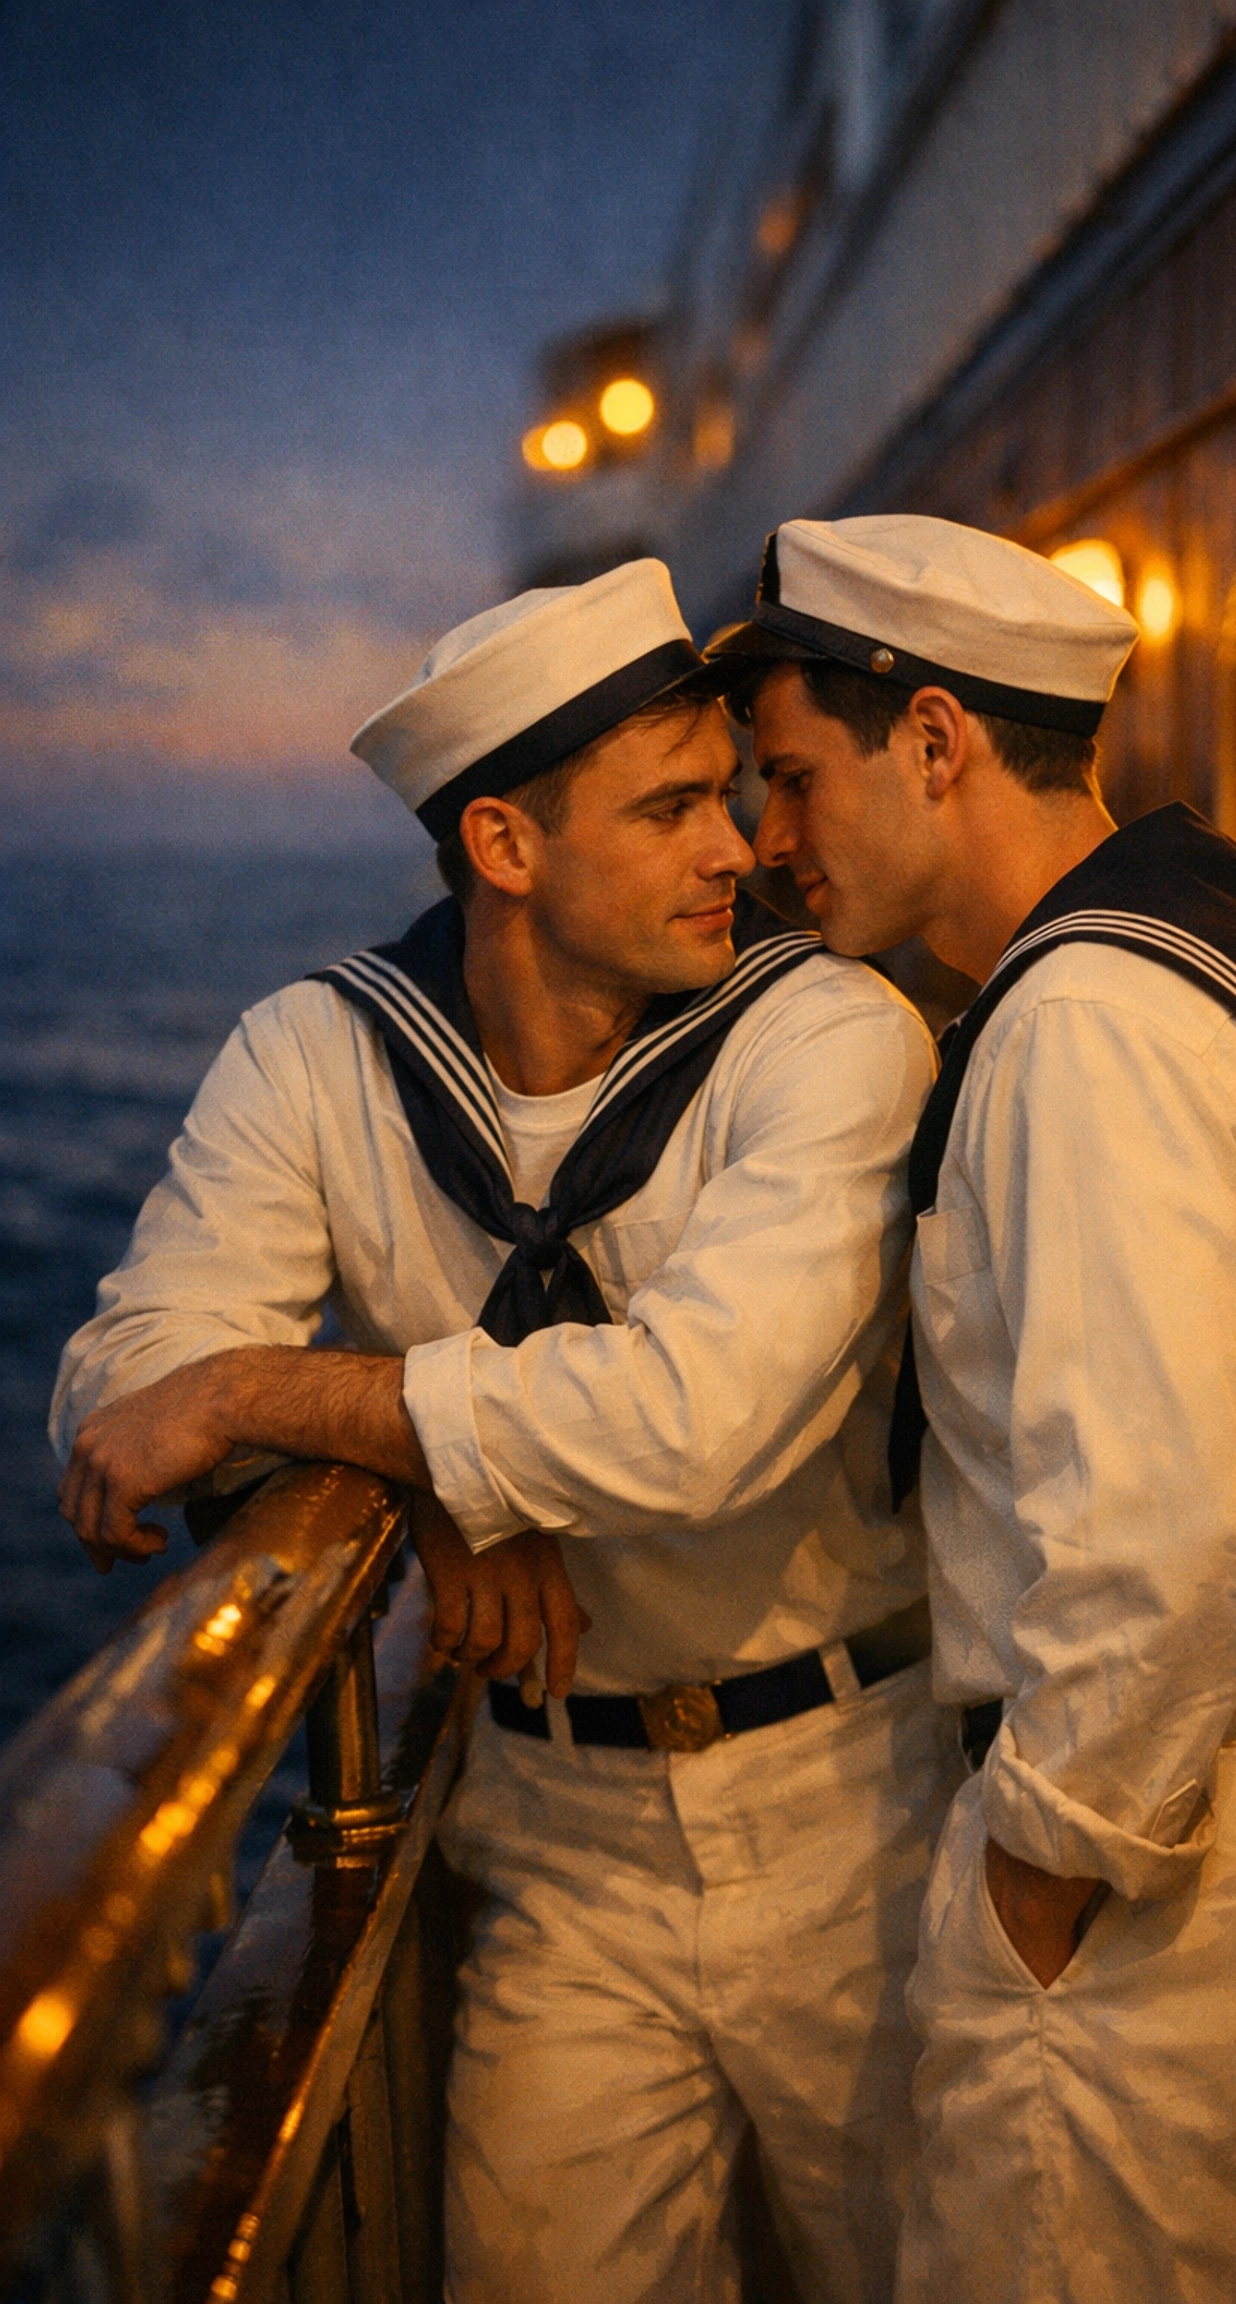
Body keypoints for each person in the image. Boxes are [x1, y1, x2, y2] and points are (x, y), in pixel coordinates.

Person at [53, 558, 963, 2304]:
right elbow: (119, 1385)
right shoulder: (318, 1056)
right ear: (503, 846)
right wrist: (437, 1490)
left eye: (734, 793)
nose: (741, 848)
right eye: (674, 808)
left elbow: (693, 1422)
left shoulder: (829, 1037)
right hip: (556, 1827)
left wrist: (279, 1396)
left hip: (855, 1810)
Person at [706, 513, 1236, 2303]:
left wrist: (1044, 1877)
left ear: (933, 741)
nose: (765, 843)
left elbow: (1170, 1540)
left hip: (1174, 1882)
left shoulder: (1080, 1024)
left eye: (792, 778)